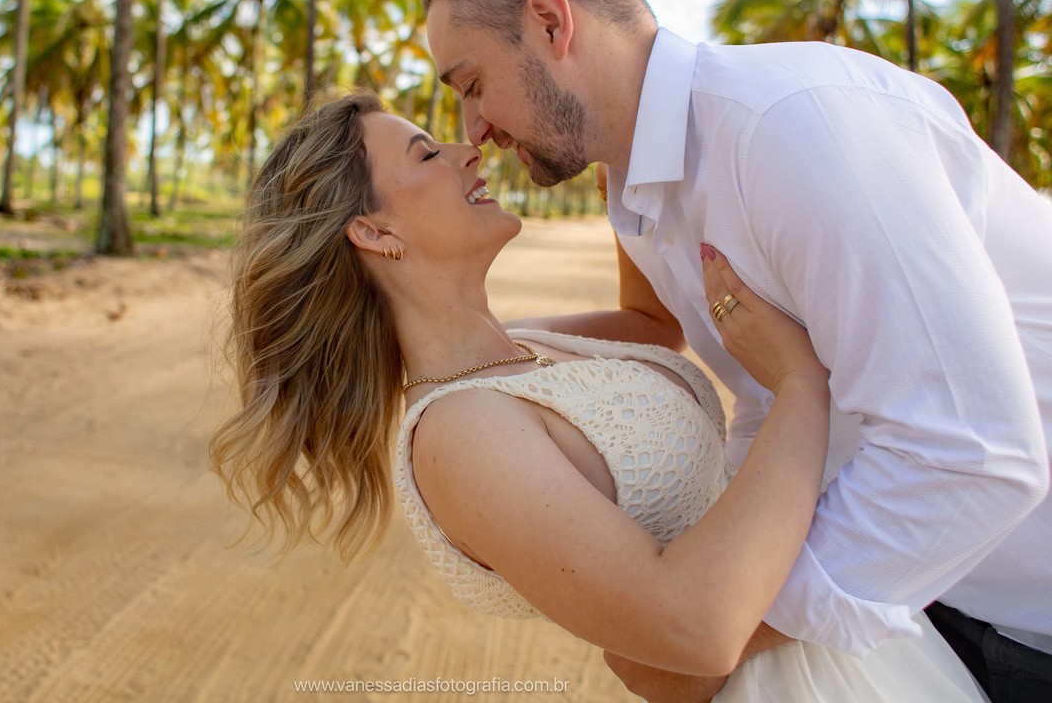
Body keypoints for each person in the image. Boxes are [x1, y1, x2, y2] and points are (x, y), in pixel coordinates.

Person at [423, 0, 1052, 701]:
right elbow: (756, 380)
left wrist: (726, 627)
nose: (472, 130)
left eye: (472, 86)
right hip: (926, 602)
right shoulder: (641, 189)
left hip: (1031, 616)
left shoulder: (790, 130)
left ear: (551, 22)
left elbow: (978, 449)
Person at [211, 92, 988, 701]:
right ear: (376, 235)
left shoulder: (529, 344)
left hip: (846, 647)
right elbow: (695, 631)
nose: (465, 149)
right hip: (788, 682)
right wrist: (798, 387)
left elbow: (651, 324)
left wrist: (618, 149)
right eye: (426, 151)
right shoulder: (457, 436)